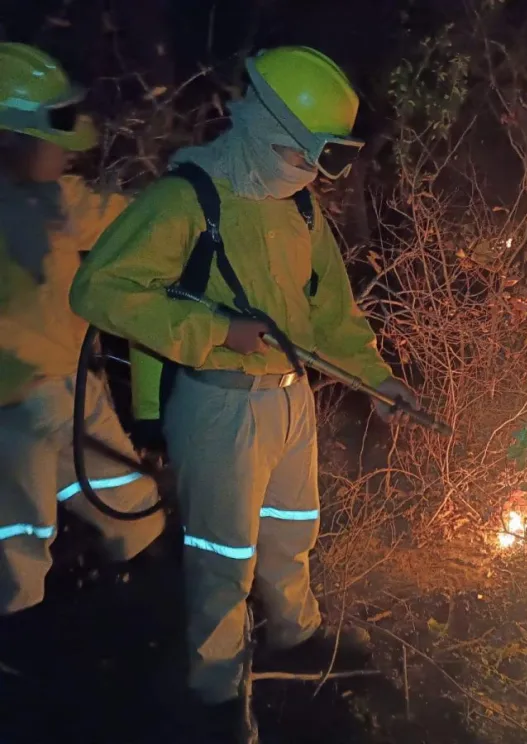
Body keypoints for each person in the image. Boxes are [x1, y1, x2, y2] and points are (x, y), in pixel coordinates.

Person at [69, 45, 416, 741]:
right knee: (223, 552)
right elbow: (99, 290)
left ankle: (295, 632)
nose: (314, 175)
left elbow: (332, 319)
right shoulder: (185, 200)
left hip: (292, 403)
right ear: (264, 132)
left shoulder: (301, 212)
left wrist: (377, 380)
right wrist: (214, 331)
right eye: (305, 156)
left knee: (292, 533)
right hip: (219, 404)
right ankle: (214, 684)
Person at [0, 43, 164, 632]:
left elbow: (124, 215)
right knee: (19, 536)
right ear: (9, 137)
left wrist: (190, 213)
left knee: (136, 509)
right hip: (13, 412)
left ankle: (139, 615)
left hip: (70, 393)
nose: (65, 150)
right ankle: (27, 660)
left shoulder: (54, 199)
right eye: (52, 135)